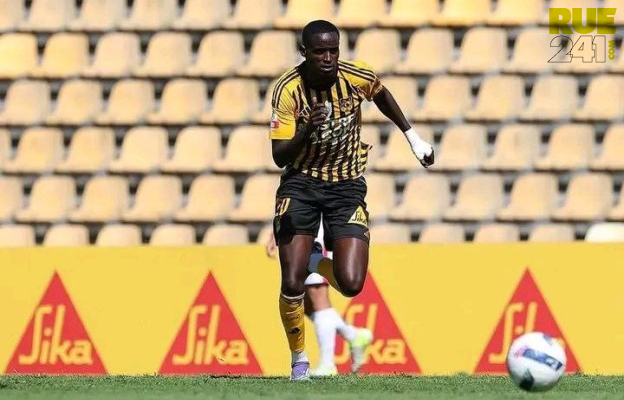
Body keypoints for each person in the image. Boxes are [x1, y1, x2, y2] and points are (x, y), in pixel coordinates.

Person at [270, 20, 434, 380]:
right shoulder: (288, 90)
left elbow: (382, 95)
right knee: (292, 283)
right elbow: (279, 156)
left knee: (351, 284)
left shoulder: (356, 76)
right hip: (301, 185)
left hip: (346, 187)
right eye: (320, 52)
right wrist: (306, 129)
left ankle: (314, 258)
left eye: (334, 50)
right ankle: (299, 361)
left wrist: (413, 138)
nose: (328, 58)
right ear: (304, 53)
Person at [266, 221, 373, 377]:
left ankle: (327, 364)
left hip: (316, 227)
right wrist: (276, 230)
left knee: (317, 294)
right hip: (298, 225)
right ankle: (354, 335)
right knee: (307, 304)